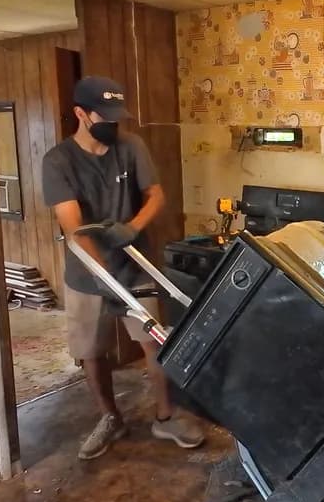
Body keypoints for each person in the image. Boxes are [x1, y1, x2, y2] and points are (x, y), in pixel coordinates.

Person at [42, 75, 204, 460]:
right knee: (90, 350)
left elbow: (155, 195)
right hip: (88, 274)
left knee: (154, 341)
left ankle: (164, 417)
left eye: (118, 117)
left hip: (136, 265)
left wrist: (131, 228)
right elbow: (75, 228)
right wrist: (107, 278)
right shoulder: (58, 161)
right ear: (81, 114)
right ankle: (109, 417)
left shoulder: (131, 146)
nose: (113, 125)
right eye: (105, 117)